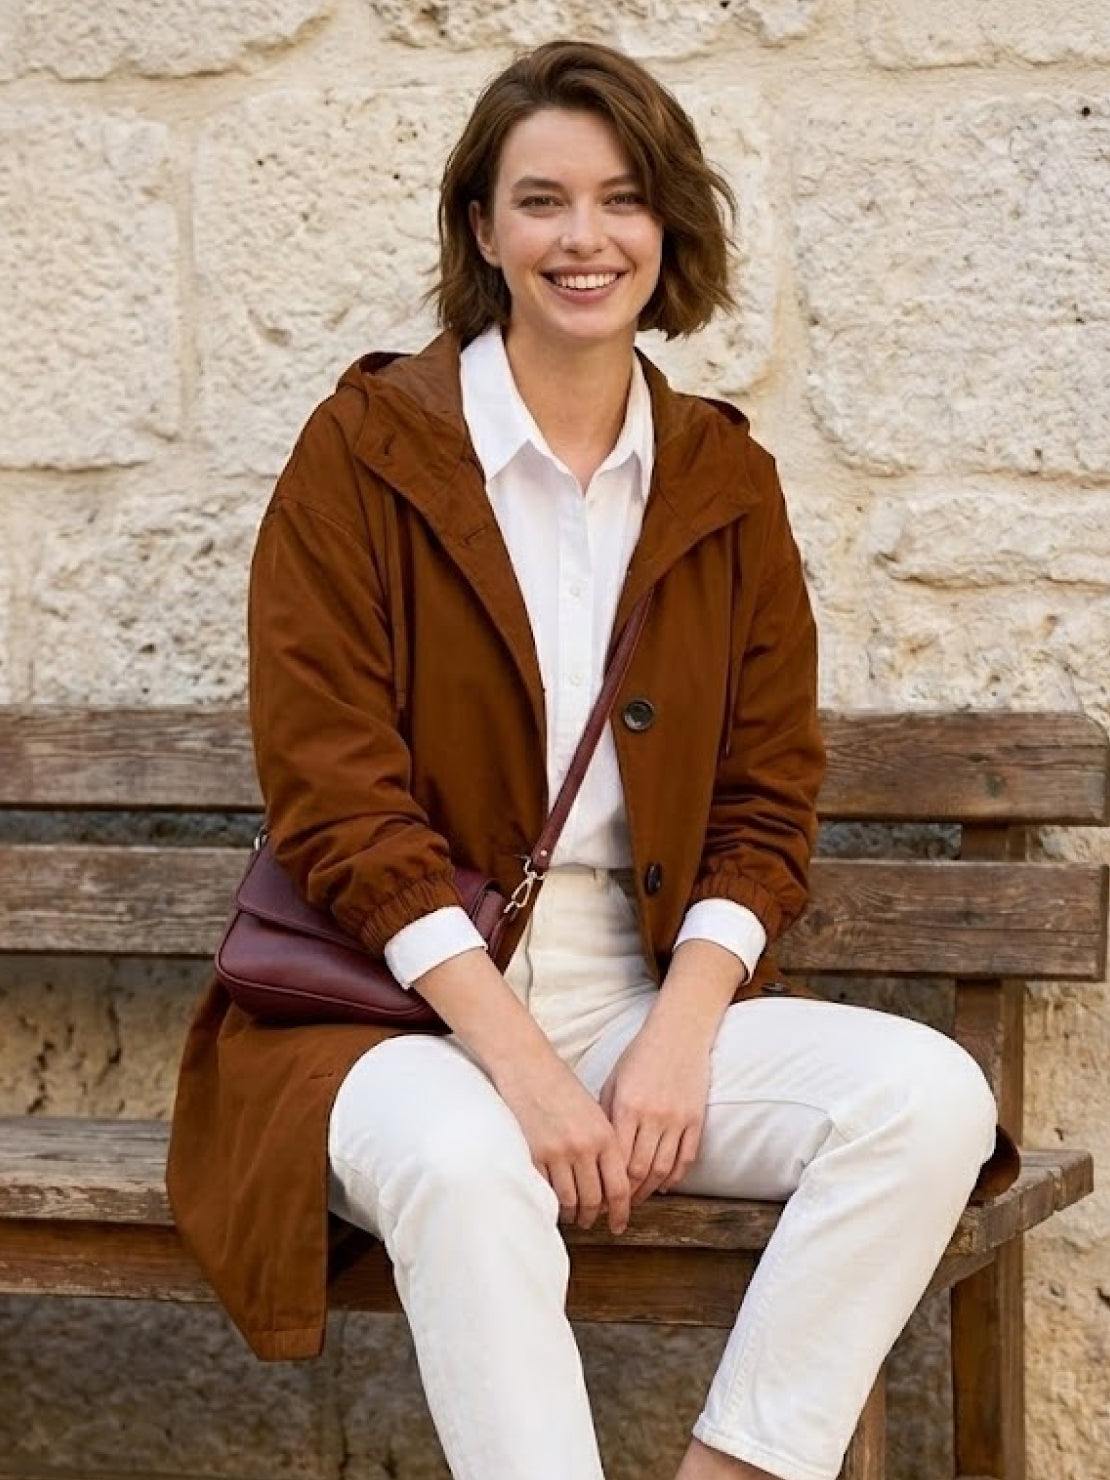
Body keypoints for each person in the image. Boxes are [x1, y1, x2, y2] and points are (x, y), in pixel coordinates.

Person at [166, 37, 1014, 1480]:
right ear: (483, 230)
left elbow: (764, 795)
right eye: (541, 200)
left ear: (665, 229)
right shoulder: (362, 455)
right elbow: (334, 797)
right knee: (467, 1158)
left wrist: (680, 1031)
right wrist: (525, 1071)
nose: (583, 237)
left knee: (928, 1097)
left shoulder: (722, 482)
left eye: (621, 200)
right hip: (386, 1021)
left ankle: (736, 1470)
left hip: (633, 1003)